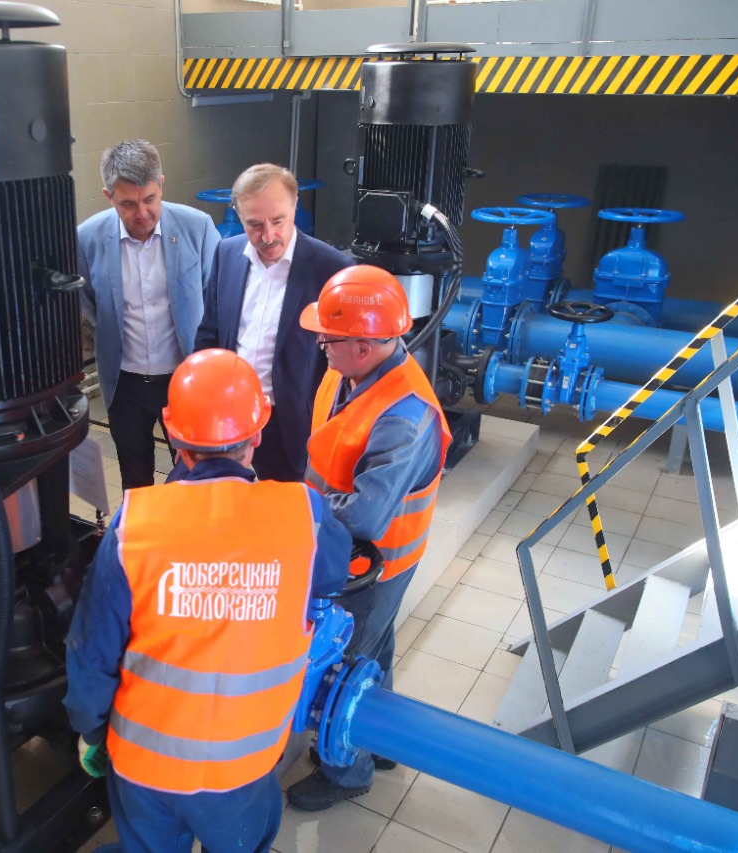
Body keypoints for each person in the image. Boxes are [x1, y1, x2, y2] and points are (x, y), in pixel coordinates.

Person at [64, 349, 351, 852]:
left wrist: (89, 729)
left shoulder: (135, 526)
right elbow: (330, 575)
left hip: (144, 767)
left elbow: (92, 651)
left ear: (173, 435)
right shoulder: (303, 515)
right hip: (242, 771)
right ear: (258, 433)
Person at [285, 265, 452, 812]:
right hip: (354, 558)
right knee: (375, 646)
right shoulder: (351, 372)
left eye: (327, 339)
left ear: (362, 345)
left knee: (344, 660)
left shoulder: (404, 416)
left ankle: (345, 771)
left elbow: (365, 516)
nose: (320, 345)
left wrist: (294, 507)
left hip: (375, 562)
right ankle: (381, 739)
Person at [195, 163, 352, 483]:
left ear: (295, 207)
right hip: (231, 416)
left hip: (292, 425)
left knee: (285, 506)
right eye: (254, 224)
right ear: (239, 215)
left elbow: (346, 363)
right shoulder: (225, 253)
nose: (268, 236)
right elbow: (209, 334)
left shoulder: (332, 269)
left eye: (278, 221)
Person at [79, 139, 221, 489]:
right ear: (109, 196)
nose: (141, 213)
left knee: (193, 479)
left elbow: (217, 298)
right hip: (124, 385)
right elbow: (89, 304)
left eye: (149, 199)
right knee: (135, 481)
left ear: (162, 185)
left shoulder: (197, 227)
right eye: (127, 204)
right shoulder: (87, 238)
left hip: (184, 381)